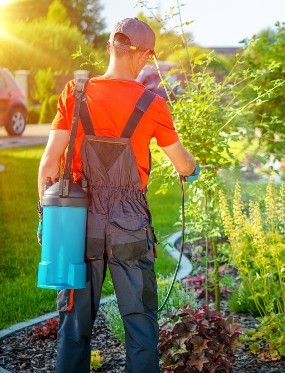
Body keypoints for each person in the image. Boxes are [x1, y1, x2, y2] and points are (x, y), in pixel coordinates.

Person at [37, 17, 199, 373]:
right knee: (141, 327)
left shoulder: (75, 93)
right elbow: (182, 164)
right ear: (144, 56)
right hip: (130, 226)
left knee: (74, 326)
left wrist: (48, 220)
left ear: (110, 48)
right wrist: (193, 169)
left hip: (80, 225)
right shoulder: (152, 103)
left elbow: (49, 164)